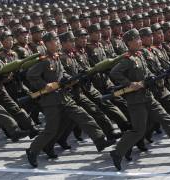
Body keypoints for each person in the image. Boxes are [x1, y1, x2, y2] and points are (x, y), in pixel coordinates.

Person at [109, 29, 170, 171]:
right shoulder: (127, 59)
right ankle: (117, 153)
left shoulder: (140, 55)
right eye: (136, 40)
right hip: (136, 101)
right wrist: (129, 83)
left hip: (148, 96)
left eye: (139, 39)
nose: (139, 41)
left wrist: (154, 76)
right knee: (138, 130)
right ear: (129, 43)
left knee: (166, 119)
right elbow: (114, 73)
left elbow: (146, 71)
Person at [25, 31, 115, 168]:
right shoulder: (44, 61)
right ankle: (33, 150)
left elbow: (61, 73)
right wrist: (44, 85)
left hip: (64, 96)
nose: (58, 43)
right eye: (55, 41)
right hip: (50, 100)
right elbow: (31, 75)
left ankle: (100, 140)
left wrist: (68, 78)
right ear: (48, 44)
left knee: (83, 116)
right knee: (51, 129)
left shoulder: (56, 58)